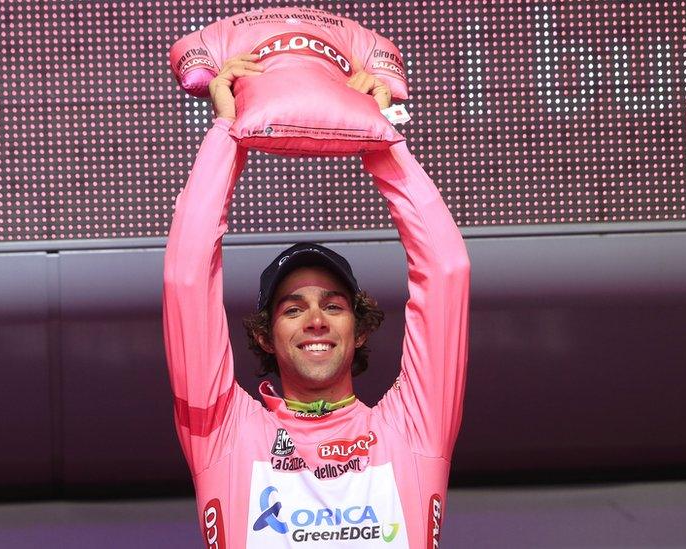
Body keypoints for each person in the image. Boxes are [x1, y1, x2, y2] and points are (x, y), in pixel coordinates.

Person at [163, 53, 470, 548]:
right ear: (264, 334)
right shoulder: (224, 433)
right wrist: (226, 134)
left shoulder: (415, 428)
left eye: (333, 306)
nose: (315, 321)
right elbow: (187, 279)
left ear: (361, 326)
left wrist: (381, 141)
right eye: (292, 308)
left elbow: (447, 271)